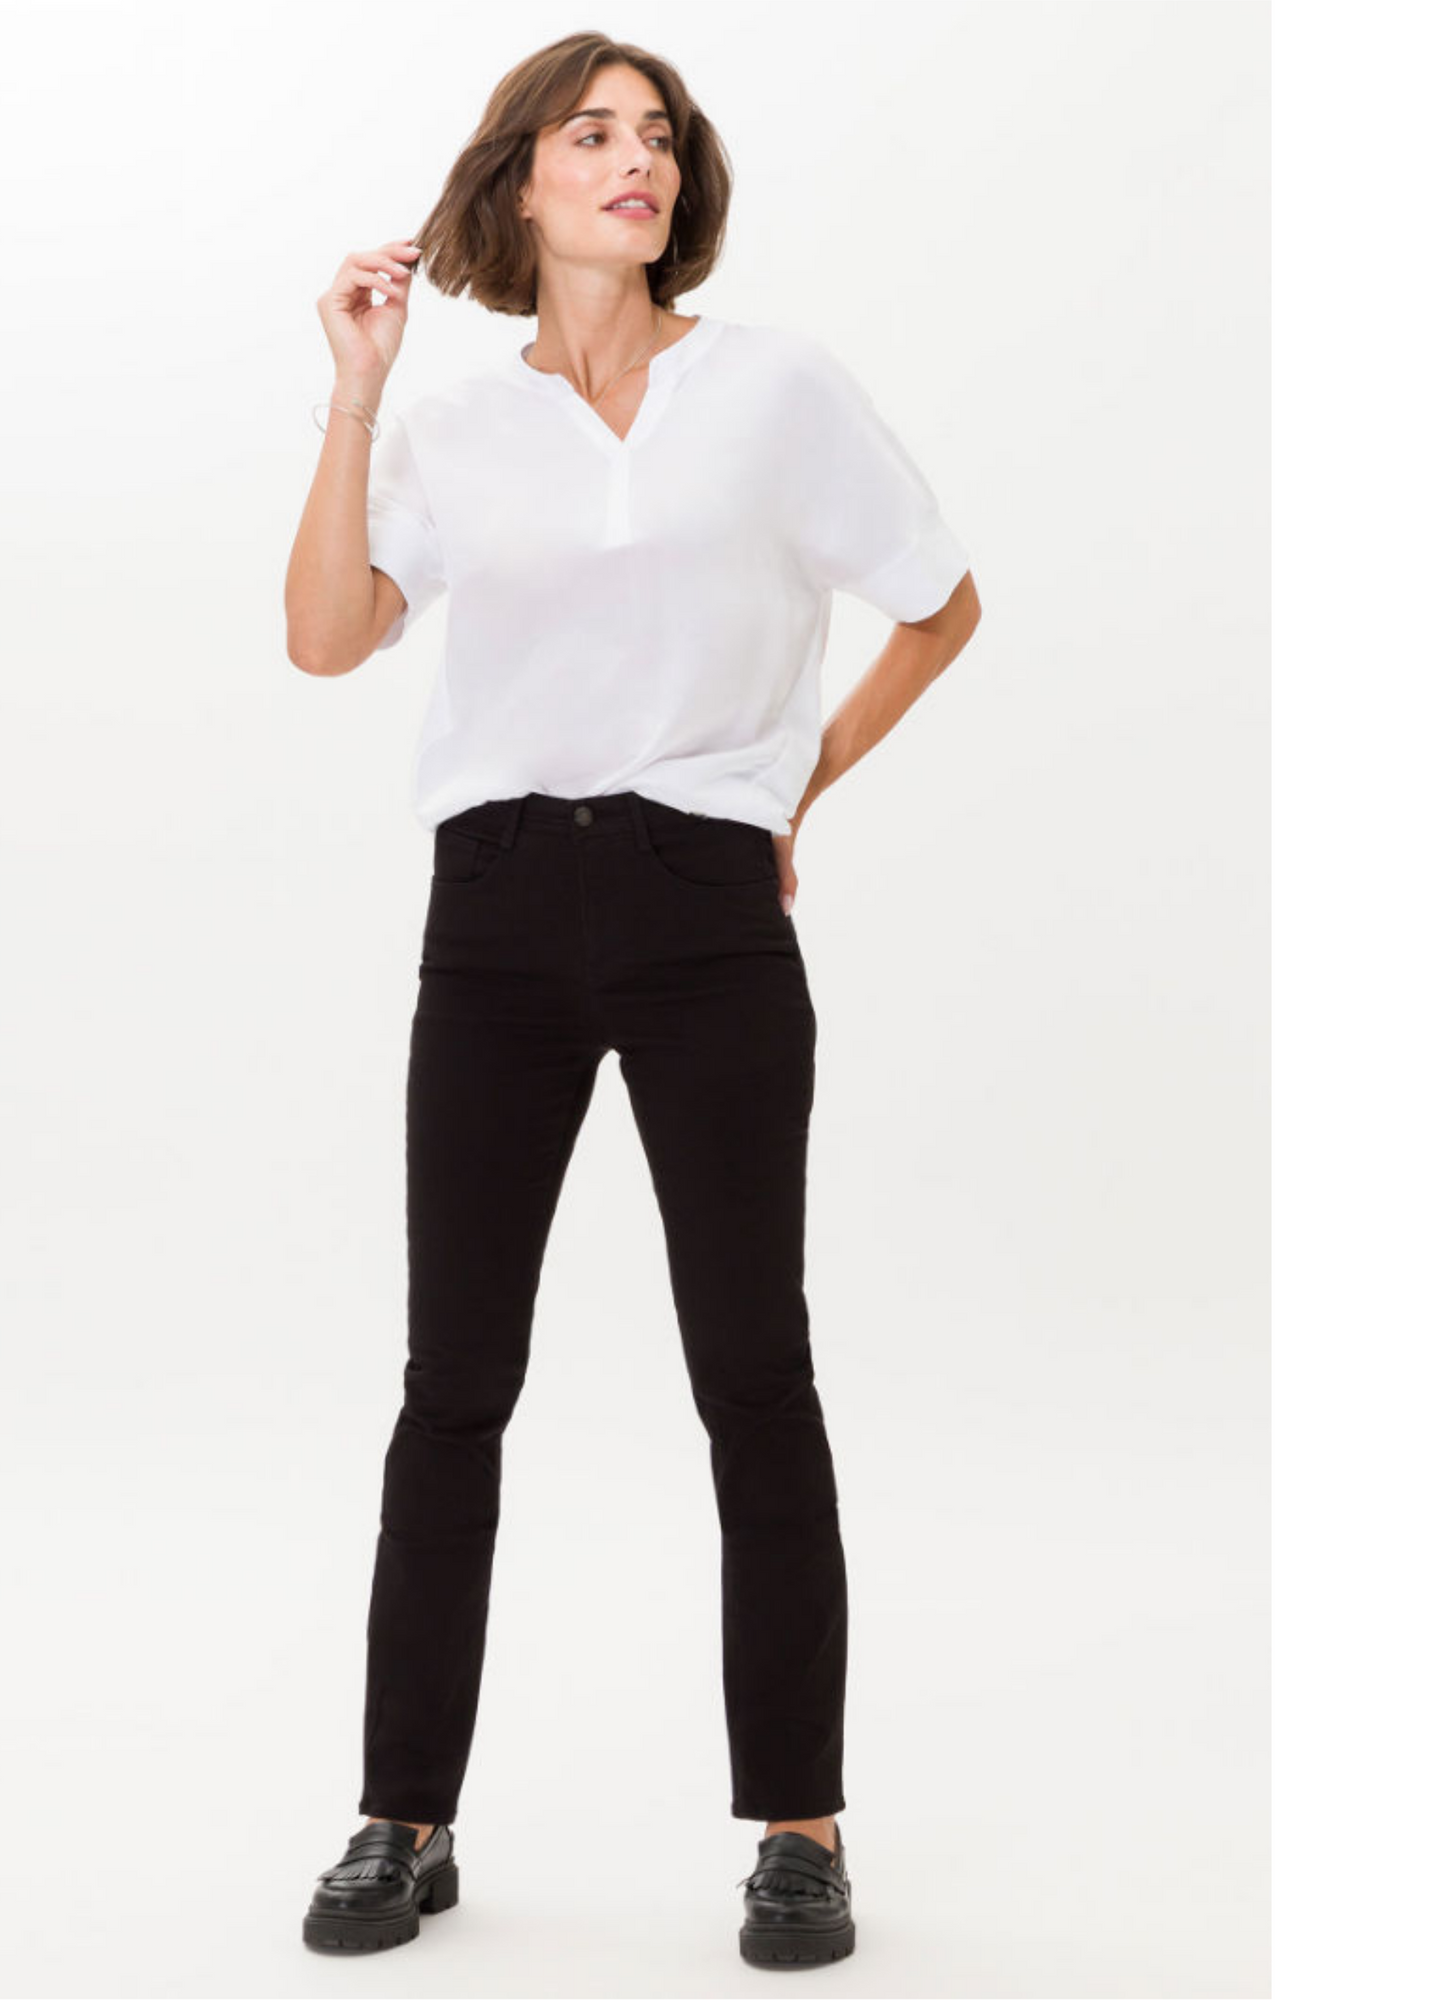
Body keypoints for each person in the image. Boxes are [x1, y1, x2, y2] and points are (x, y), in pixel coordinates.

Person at [285, 30, 980, 1970]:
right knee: (454, 1381)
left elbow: (940, 599)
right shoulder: (451, 427)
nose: (635, 161)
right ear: (517, 180)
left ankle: (799, 1829)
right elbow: (325, 639)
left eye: (657, 136)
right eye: (590, 133)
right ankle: (403, 1814)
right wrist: (354, 395)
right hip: (497, 908)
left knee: (753, 1371)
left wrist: (794, 788)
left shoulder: (772, 390)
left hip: (702, 907)